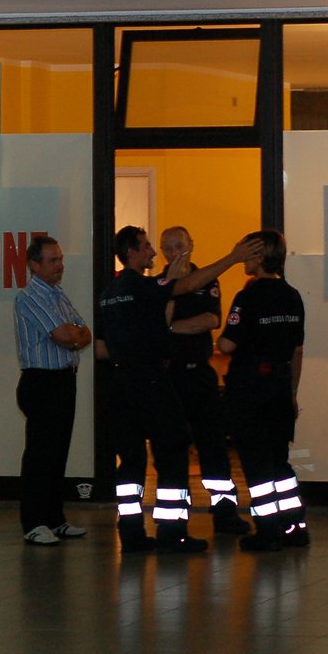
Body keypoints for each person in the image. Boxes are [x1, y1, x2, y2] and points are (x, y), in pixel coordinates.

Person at [95, 227, 262, 554]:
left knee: (131, 459)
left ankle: (131, 532)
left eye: (176, 246)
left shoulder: (108, 293)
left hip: (123, 382)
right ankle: (172, 533)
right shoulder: (146, 286)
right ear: (132, 252)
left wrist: (133, 346)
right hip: (153, 379)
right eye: (149, 248)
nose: (157, 254)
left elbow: (101, 348)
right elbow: (185, 286)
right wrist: (234, 257)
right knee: (171, 452)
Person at [218, 230, 309, 552]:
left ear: (258, 256)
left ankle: (268, 530)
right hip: (280, 388)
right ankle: (296, 525)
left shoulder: (248, 297)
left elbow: (228, 343)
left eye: (246, 252)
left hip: (250, 390)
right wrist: (292, 391)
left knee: (256, 464)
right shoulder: (292, 295)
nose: (242, 257)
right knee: (279, 463)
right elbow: (296, 350)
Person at [160, 225, 250, 536]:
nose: (174, 253)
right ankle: (174, 524)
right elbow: (159, 322)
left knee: (213, 447)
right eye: (167, 247)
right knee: (172, 450)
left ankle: (225, 515)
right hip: (168, 378)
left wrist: (170, 329)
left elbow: (210, 320)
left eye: (179, 245)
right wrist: (172, 322)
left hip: (199, 373)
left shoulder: (207, 279)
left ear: (192, 245)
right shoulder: (158, 283)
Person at [13, 235, 92, 545]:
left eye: (60, 259)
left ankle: (55, 520)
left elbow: (84, 332)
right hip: (41, 382)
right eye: (53, 260)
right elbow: (63, 334)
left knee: (58, 452)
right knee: (40, 455)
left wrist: (75, 335)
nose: (60, 265)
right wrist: (72, 334)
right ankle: (33, 523)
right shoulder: (29, 297)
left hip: (63, 380)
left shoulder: (58, 295)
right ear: (35, 265)